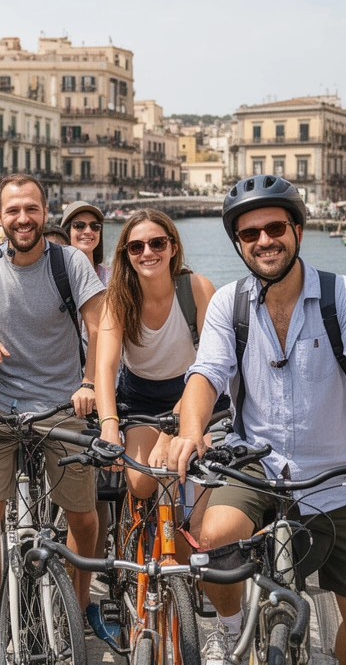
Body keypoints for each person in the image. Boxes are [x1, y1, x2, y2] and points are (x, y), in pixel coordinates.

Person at [166, 175, 346, 665]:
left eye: (275, 227)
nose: (264, 241)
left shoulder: (344, 296)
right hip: (257, 465)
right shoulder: (229, 305)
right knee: (213, 537)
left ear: (298, 229)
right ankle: (231, 629)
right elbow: (207, 373)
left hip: (336, 477)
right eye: (250, 234)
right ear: (238, 244)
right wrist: (191, 433)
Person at [0, 174, 109, 665]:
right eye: (12, 210)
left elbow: (99, 329)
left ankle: (81, 603)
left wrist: (88, 384)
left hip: (61, 406)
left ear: (45, 212)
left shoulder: (71, 263)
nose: (22, 218)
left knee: (83, 518)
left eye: (31, 209)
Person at [93, 209, 214, 500]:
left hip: (194, 391)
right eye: (137, 247)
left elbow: (210, 365)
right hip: (142, 398)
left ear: (173, 247)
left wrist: (169, 433)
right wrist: (108, 426)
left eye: (157, 243)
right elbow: (105, 368)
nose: (148, 252)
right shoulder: (118, 300)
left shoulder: (197, 288)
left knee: (188, 474)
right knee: (141, 483)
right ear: (127, 255)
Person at [62, 201, 110, 283]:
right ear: (67, 231)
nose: (88, 231)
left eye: (95, 226)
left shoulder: (112, 278)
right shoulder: (54, 278)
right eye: (79, 225)